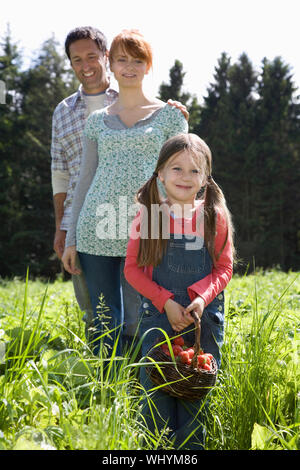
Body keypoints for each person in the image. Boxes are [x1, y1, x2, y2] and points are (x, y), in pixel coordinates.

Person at [52, 26, 188, 346]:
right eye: (123, 59)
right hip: (95, 229)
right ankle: (105, 389)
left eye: (138, 60)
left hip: (147, 228)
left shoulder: (170, 117)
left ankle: (142, 388)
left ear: (148, 67)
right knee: (103, 318)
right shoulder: (96, 120)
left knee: (143, 315)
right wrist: (70, 239)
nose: (130, 67)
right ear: (112, 64)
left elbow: (182, 179)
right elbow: (84, 180)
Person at [124, 133, 235, 449]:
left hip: (203, 320)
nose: (185, 177)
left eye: (194, 170)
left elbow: (223, 269)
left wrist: (199, 298)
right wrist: (166, 301)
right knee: (155, 397)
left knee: (195, 400)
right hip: (159, 317)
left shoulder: (214, 217)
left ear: (205, 178)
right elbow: (131, 269)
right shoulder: (149, 215)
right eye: (176, 168)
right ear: (160, 172)